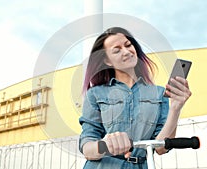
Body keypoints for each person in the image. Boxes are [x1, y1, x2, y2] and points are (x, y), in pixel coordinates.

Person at [79, 27, 191, 169]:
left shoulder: (159, 93)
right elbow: (87, 149)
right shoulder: (95, 94)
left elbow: (160, 148)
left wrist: (175, 108)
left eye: (128, 45)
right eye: (117, 50)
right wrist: (106, 145)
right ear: (107, 61)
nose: (126, 52)